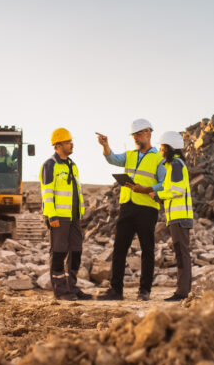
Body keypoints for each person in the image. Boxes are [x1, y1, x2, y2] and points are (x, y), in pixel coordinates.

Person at [95, 118, 166, 301]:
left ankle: (144, 291)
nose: (135, 137)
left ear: (148, 133)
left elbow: (163, 183)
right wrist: (105, 145)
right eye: (133, 135)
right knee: (119, 248)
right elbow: (112, 159)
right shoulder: (130, 155)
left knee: (147, 250)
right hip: (127, 207)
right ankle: (116, 290)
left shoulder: (159, 158)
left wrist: (147, 189)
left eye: (138, 134)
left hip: (147, 209)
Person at [39, 128, 91, 300]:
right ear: (59, 145)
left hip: (74, 217)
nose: (72, 144)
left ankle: (72, 288)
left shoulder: (72, 165)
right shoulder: (50, 165)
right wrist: (51, 215)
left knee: (76, 252)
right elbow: (47, 193)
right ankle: (60, 291)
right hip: (59, 217)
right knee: (59, 252)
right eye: (68, 142)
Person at [149, 131, 193, 301]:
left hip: (180, 217)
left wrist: (159, 196)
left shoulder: (175, 164)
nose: (160, 151)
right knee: (182, 253)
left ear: (168, 147)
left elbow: (177, 190)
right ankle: (183, 291)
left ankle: (182, 293)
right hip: (178, 217)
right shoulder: (174, 165)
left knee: (182, 254)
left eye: (161, 148)